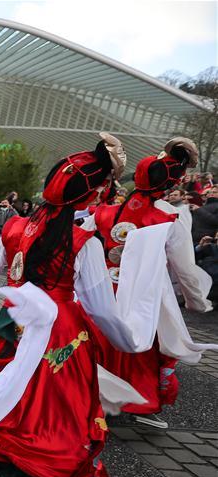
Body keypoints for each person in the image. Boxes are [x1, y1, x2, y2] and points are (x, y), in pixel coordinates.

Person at [0, 133, 149, 477]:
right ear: (90, 195)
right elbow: (102, 310)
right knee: (63, 411)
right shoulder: (81, 242)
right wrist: (130, 342)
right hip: (61, 333)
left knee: (16, 403)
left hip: (15, 327)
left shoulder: (14, 227)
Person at [92, 138, 212, 429]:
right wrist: (198, 301)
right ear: (170, 183)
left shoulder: (107, 212)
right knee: (143, 347)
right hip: (144, 294)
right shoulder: (169, 218)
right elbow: (185, 269)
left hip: (103, 290)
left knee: (102, 344)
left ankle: (95, 398)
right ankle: (134, 402)